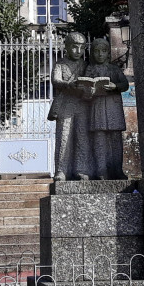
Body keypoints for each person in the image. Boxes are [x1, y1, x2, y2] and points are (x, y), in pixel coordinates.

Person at [81, 38, 129, 179]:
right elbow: (84, 90)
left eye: (103, 51)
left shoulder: (113, 69)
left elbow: (125, 84)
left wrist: (115, 86)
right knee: (99, 138)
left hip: (113, 105)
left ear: (108, 53)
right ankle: (101, 170)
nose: (100, 54)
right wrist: (88, 92)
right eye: (96, 51)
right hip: (97, 106)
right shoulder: (90, 69)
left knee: (116, 139)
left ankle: (117, 169)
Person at [48, 32, 93, 180]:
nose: (78, 51)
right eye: (74, 47)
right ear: (67, 47)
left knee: (82, 137)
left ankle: (82, 169)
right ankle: (61, 171)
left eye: (81, 48)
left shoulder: (85, 65)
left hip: (82, 103)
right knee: (64, 137)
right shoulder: (60, 63)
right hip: (66, 104)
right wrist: (68, 84)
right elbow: (55, 80)